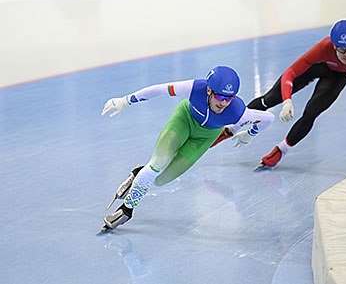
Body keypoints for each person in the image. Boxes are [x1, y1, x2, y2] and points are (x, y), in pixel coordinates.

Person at [99, 66, 274, 232]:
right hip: (185, 119)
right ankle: (126, 210)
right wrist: (126, 100)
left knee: (160, 180)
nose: (224, 103)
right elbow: (160, 89)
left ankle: (138, 173)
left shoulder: (238, 112)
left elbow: (268, 118)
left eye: (229, 98)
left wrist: (250, 134)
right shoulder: (194, 88)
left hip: (205, 137)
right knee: (158, 163)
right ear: (208, 91)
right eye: (220, 97)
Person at [211, 19, 346, 169]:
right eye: (340, 49)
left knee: (312, 112)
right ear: (333, 45)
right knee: (269, 100)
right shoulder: (323, 48)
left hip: (337, 77)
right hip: (316, 67)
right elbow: (291, 72)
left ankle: (281, 150)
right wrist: (287, 100)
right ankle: (231, 128)